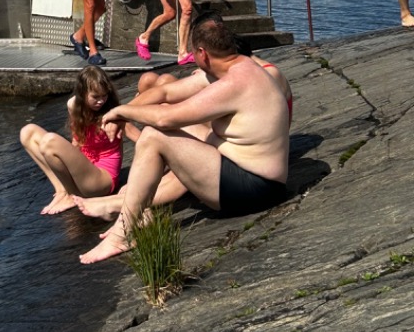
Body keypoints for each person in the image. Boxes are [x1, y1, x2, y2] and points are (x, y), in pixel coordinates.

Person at [79, 15, 289, 264]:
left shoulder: (236, 81)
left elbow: (166, 119)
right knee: (166, 125)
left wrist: (120, 112)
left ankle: (122, 233)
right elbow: (167, 92)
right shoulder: (237, 66)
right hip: (243, 168)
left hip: (255, 187)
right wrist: (120, 116)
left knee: (154, 136)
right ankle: (133, 209)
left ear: (202, 53)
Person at [20, 66, 139, 216]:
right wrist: (65, 161)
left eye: (104, 95)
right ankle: (62, 190)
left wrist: (135, 181)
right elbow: (77, 141)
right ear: (83, 93)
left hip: (101, 180)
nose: (101, 101)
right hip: (84, 168)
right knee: (28, 132)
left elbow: (142, 141)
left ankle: (70, 195)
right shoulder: (74, 106)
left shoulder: (115, 115)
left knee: (50, 141)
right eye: (96, 97)